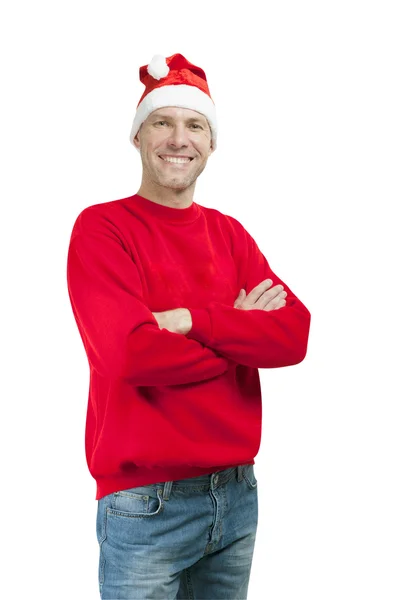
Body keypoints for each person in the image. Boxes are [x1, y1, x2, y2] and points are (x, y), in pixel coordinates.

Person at [66, 52, 311, 600]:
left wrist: (189, 321)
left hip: (236, 496)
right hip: (144, 503)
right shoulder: (102, 229)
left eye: (195, 125)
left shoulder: (229, 235)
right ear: (138, 136)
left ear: (212, 142)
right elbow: (131, 356)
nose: (179, 139)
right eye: (163, 122)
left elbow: (294, 334)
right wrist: (239, 332)